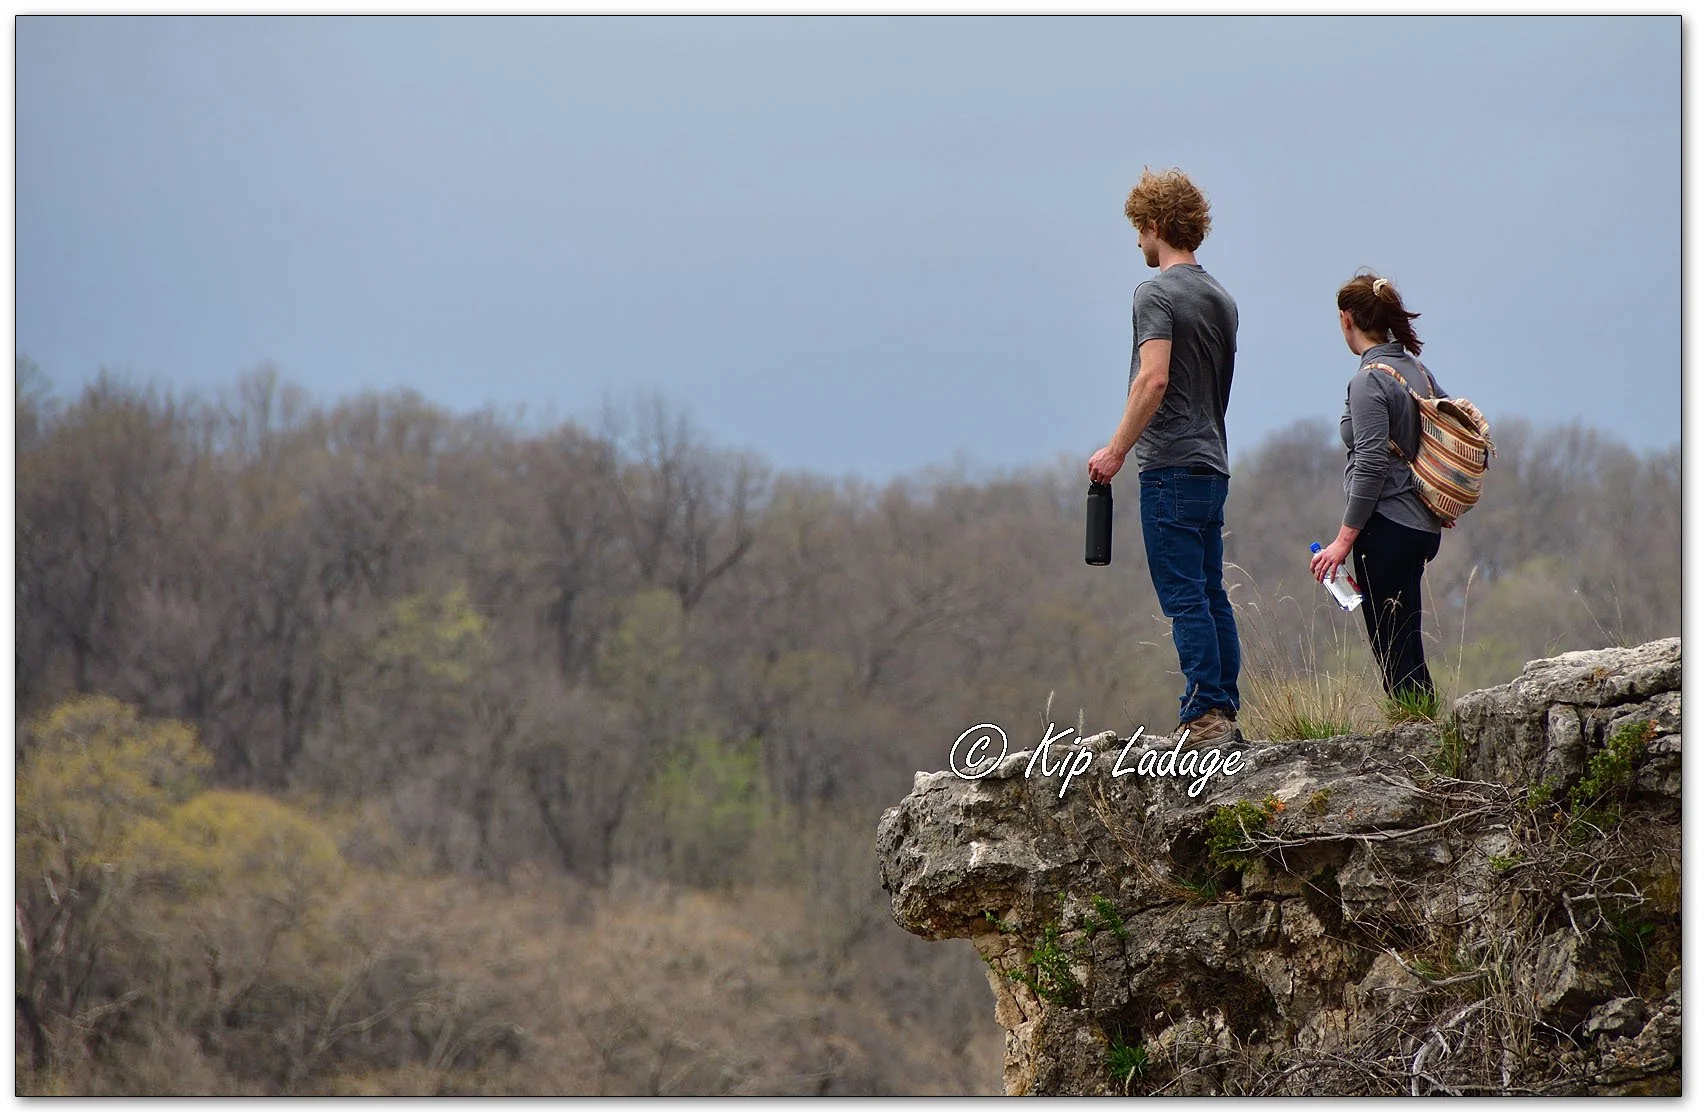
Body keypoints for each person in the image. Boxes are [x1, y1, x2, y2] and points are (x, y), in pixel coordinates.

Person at [1089, 168, 1240, 745]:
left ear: (1155, 225)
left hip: (1169, 466)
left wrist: (1115, 450)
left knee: (1182, 596)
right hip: (1213, 462)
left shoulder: (1155, 294)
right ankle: (1223, 704)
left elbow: (1152, 381)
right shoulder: (1221, 297)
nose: (1136, 243)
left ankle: (1203, 711)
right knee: (1209, 590)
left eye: (1138, 229)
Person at [1308, 272, 1446, 703]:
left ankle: (1415, 736)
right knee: (1406, 638)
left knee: (1393, 648)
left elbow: (1369, 465)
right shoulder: (1417, 370)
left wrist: (1342, 542)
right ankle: (1421, 725)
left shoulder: (1369, 380)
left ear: (1346, 319)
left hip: (1386, 526)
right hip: (1421, 524)